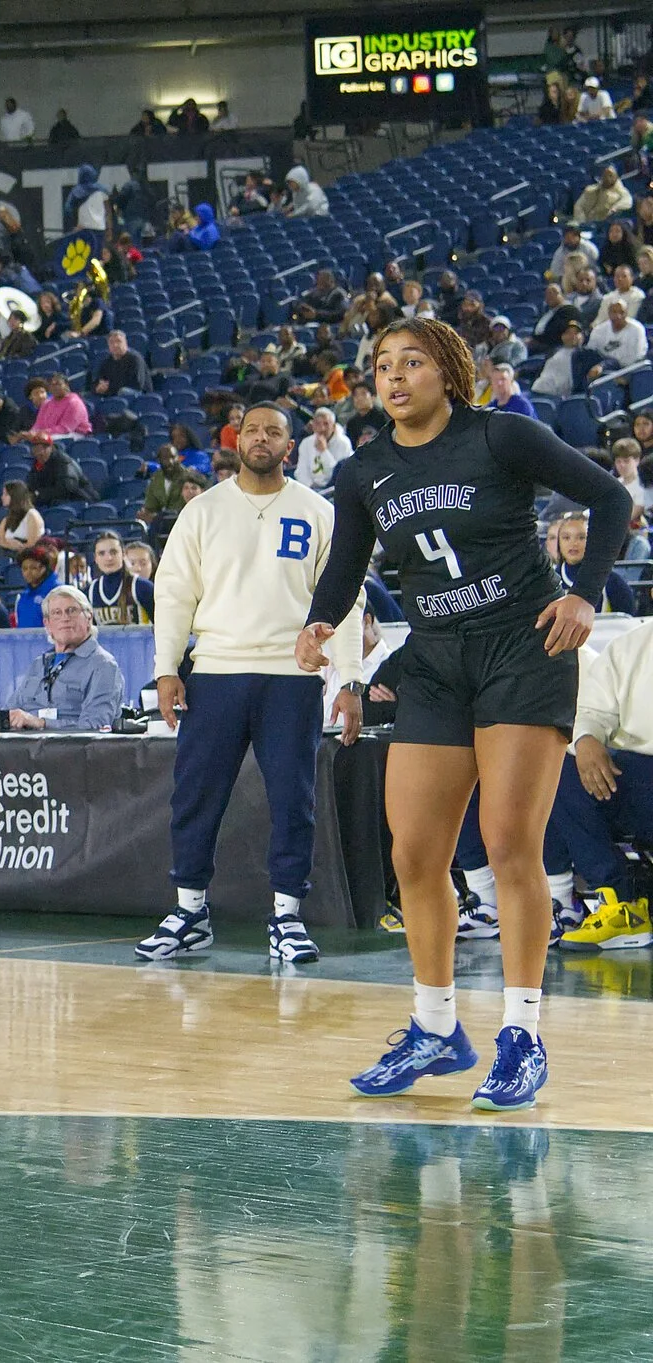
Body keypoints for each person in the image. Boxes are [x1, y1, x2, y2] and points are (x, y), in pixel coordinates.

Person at [301, 317, 633, 1112]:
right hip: (437, 662)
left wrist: (584, 593)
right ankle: (435, 1026)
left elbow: (611, 496)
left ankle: (522, 1033)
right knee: (416, 854)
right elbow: (346, 566)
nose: (394, 376)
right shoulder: (364, 471)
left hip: (523, 650)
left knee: (510, 843)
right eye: (382, 364)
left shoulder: (503, 436)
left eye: (412, 361)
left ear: (448, 371)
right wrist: (321, 623)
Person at [140, 403, 364, 965]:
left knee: (294, 800)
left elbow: (346, 599)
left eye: (274, 432)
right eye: (252, 430)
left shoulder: (318, 511)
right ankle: (190, 910)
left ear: (292, 447)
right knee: (196, 796)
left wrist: (351, 678)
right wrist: (168, 669)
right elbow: (174, 595)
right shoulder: (202, 512)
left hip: (293, 678)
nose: (261, 439)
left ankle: (287, 917)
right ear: (235, 441)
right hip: (215, 671)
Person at [553, 619, 653, 947]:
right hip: (641, 778)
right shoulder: (629, 647)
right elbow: (593, 711)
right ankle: (621, 907)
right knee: (562, 771)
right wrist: (586, 740)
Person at [0, 586, 123, 730]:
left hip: (69, 750)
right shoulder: (39, 664)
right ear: (47, 625)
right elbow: (8, 714)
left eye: (72, 610)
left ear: (89, 618)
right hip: (25, 748)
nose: (65, 618)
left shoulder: (103, 665)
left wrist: (41, 723)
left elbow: (96, 726)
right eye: (57, 613)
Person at [553, 512, 638, 613]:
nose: (573, 543)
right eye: (566, 538)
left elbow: (629, 620)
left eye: (581, 537)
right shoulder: (550, 582)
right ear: (559, 542)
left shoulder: (612, 582)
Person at [85, 531, 153, 626]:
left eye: (114, 552)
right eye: (101, 553)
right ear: (95, 558)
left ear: (123, 554)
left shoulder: (142, 587)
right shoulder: (90, 591)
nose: (108, 558)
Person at [532, 319, 606, 397]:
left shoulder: (587, 353)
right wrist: (521, 372)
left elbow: (611, 361)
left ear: (582, 336)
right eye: (568, 333)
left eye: (576, 333)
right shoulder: (554, 351)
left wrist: (601, 366)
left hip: (560, 396)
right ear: (562, 336)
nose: (572, 336)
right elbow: (539, 368)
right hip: (537, 390)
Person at [294, 406, 353, 491]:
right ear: (313, 425)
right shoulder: (306, 443)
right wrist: (310, 486)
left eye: (326, 424)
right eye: (318, 424)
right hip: (311, 489)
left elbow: (339, 474)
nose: (322, 428)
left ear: (333, 427)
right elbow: (301, 470)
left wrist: (324, 452)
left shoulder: (343, 443)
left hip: (334, 489)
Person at [26, 432, 94, 504]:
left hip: (80, 500)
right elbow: (32, 484)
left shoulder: (63, 462)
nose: (40, 454)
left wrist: (37, 494)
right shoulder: (38, 464)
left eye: (43, 449)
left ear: (51, 448)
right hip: (58, 501)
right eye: (36, 451)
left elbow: (66, 488)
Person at [591, 297, 647, 369]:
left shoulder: (637, 329)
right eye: (614, 312)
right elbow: (591, 353)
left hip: (630, 371)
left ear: (627, 313)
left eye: (622, 312)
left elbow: (636, 357)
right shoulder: (598, 330)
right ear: (609, 313)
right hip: (604, 368)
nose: (618, 316)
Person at [12, 543, 59, 627]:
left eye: (33, 568)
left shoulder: (58, 592)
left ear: (43, 568)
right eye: (24, 568)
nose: (28, 572)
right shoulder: (23, 597)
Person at [0, 479, 43, 558]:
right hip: (6, 554)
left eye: (5, 494)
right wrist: (10, 545)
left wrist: (10, 544)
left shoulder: (32, 515)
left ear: (15, 496)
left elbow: (32, 545)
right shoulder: (7, 519)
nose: (2, 497)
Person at [93, 329, 150, 395]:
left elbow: (137, 384)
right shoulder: (106, 362)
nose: (115, 345)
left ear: (125, 342)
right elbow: (99, 380)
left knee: (123, 391)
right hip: (114, 392)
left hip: (139, 395)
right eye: (111, 342)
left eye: (119, 341)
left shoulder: (135, 358)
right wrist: (99, 388)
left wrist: (109, 387)